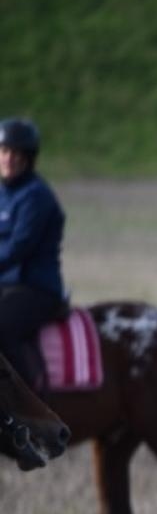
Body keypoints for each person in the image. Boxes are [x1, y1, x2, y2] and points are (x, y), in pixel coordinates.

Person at [0, 118, 67, 394]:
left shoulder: (36, 196)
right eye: (4, 151)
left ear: (29, 159)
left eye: (16, 153)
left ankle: (29, 398)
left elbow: (18, 248)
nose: (8, 158)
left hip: (35, 288)